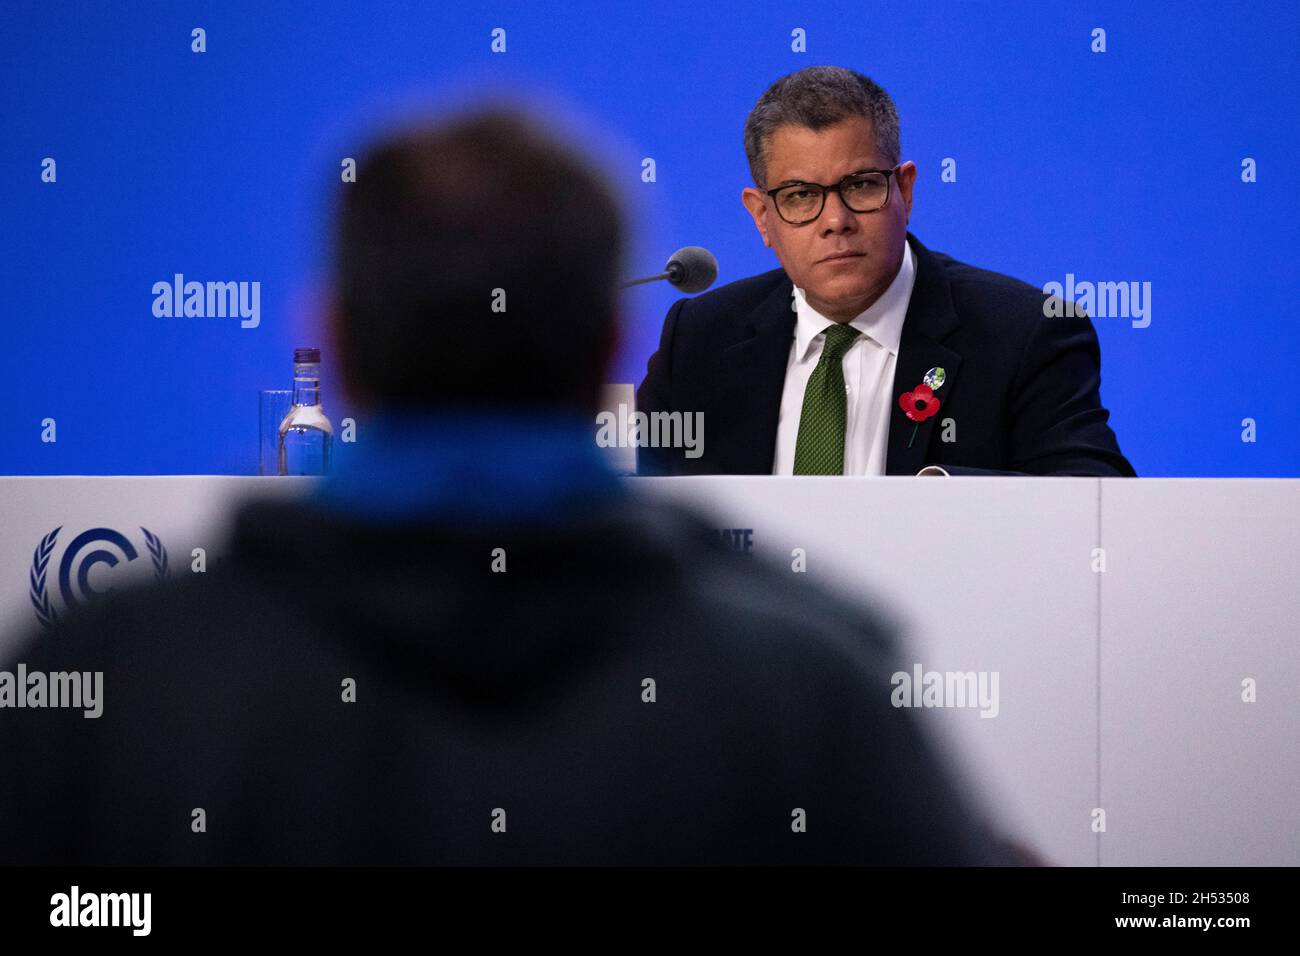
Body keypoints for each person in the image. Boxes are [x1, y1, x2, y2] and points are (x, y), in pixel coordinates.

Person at [0, 103, 1029, 865]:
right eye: (803, 195)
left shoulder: (104, 680)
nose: (835, 218)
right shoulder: (815, 679)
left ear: (334, 348)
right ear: (606, 355)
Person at [637, 65, 1136, 478]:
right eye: (800, 196)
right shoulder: (701, 339)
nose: (836, 222)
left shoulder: (1025, 333)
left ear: (906, 190)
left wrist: (935, 504)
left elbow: (1097, 500)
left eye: (861, 186)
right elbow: (624, 503)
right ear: (762, 217)